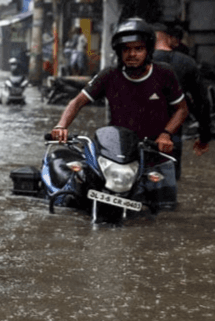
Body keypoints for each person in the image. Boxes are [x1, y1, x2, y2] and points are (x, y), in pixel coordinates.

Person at [50, 18, 189, 208]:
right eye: (126, 49)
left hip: (155, 154)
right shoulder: (109, 75)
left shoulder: (164, 74)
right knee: (87, 202)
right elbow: (77, 102)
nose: (132, 54)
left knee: (166, 212)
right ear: (119, 52)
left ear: (148, 50)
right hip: (117, 154)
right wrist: (61, 126)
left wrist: (166, 135)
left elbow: (182, 109)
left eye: (138, 49)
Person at [153, 22, 211, 180]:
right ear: (170, 39)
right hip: (172, 134)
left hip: (138, 133)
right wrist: (204, 135)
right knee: (170, 184)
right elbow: (202, 102)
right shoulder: (187, 63)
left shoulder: (135, 62)